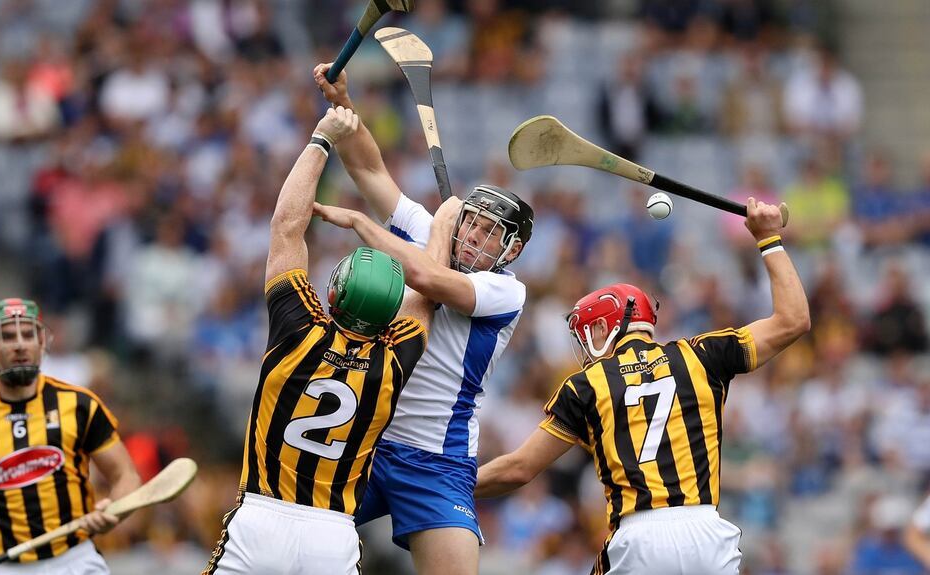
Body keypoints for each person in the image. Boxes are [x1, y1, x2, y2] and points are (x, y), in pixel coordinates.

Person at [475, 198, 810, 574]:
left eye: (588, 333)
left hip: (639, 536)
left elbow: (518, 469)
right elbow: (793, 320)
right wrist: (769, 239)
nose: (586, 347)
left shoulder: (587, 384)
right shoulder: (700, 356)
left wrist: (444, 485)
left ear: (605, 327)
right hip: (708, 532)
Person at [314, 64, 534, 575]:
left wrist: (360, 223)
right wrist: (346, 108)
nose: (473, 239)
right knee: (292, 548)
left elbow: (428, 280)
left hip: (437, 463)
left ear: (512, 249)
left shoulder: (505, 291)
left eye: (488, 234)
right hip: (367, 439)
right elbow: (369, 171)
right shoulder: (432, 230)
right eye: (471, 225)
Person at [202, 106, 441, 575]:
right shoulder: (395, 359)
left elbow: (286, 226)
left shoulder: (298, 328)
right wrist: (446, 226)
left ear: (335, 291)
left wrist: (320, 140)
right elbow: (429, 286)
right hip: (333, 535)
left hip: (261, 519)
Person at [0, 298, 142, 575]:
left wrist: (115, 509)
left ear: (42, 341)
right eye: (8, 336)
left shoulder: (81, 405)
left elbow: (126, 475)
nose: (20, 345)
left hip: (76, 560)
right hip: (5, 568)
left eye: (28, 334)